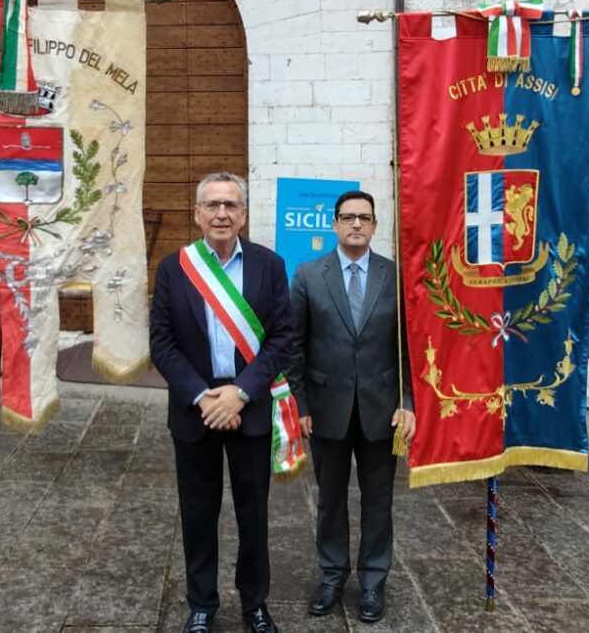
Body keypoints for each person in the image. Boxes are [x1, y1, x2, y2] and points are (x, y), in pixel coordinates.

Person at [149, 172, 292, 633]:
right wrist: (202, 396)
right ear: (197, 214)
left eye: (231, 205)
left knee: (253, 513)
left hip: (247, 405)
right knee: (197, 511)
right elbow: (162, 343)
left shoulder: (270, 266)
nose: (222, 213)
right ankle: (202, 605)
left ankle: (254, 603)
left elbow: (282, 338)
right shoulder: (174, 268)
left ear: (244, 214)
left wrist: (240, 392)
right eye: (212, 205)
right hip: (196, 409)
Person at [286, 190, 415, 623]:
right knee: (331, 500)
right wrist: (300, 402)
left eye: (365, 217)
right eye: (348, 217)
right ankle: (332, 575)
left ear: (376, 225)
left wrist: (409, 403)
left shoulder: (395, 277)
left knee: (378, 501)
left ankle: (373, 581)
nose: (356, 224)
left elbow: (410, 350)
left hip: (383, 411)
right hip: (326, 409)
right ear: (335, 225)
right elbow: (294, 345)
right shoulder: (308, 275)